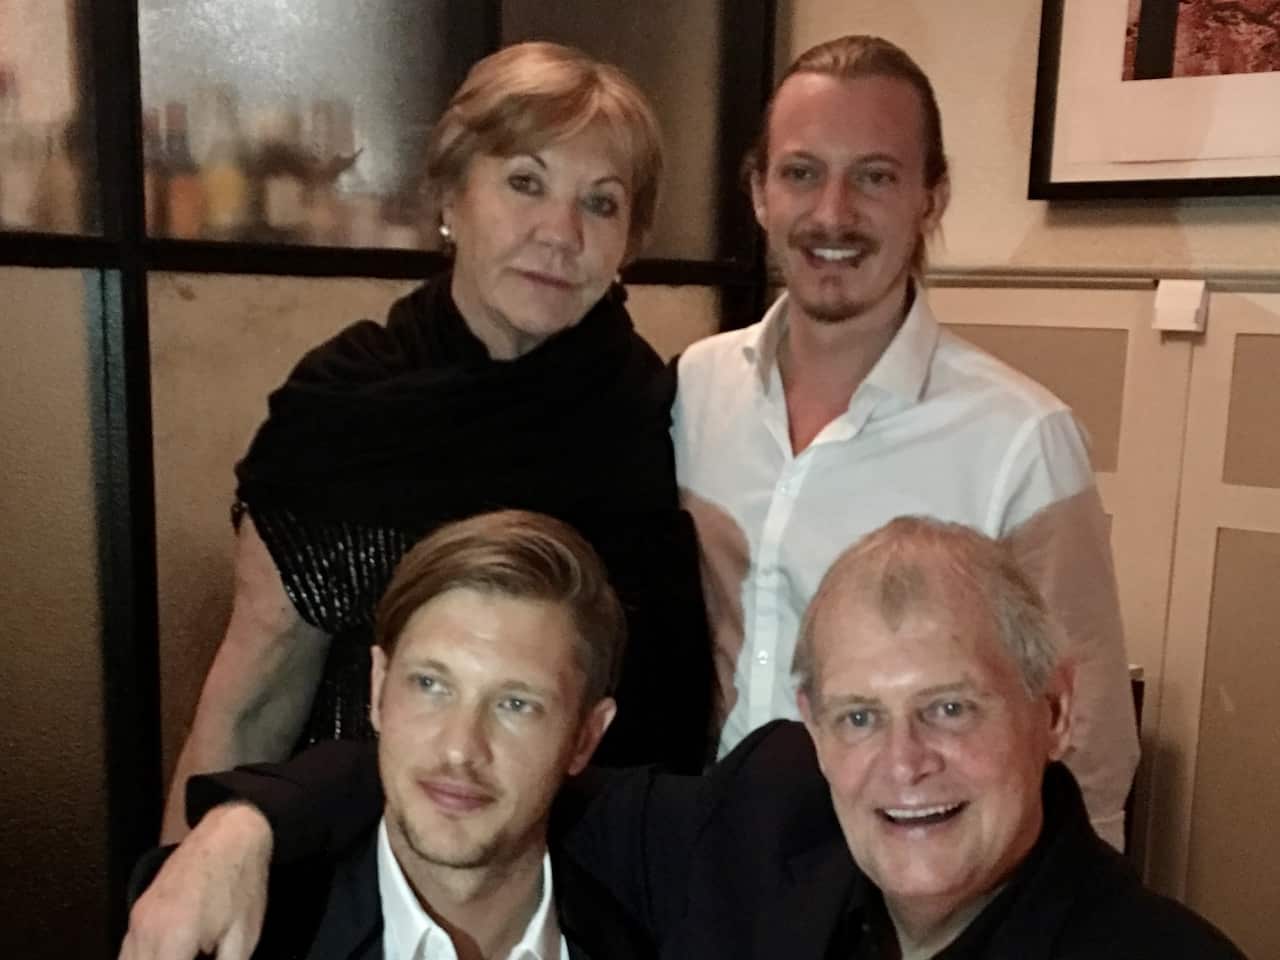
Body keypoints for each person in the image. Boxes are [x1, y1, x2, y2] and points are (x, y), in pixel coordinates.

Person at [120, 517, 1244, 960]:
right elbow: (459, 785)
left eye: (950, 707)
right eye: (859, 715)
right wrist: (246, 826)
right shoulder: (764, 832)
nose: (903, 764)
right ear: (811, 726)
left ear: (1054, 710)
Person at [161, 41, 714, 839]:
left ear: (630, 240)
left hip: (599, 860)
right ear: (451, 194)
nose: (561, 232)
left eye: (601, 203)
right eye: (526, 183)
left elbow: (678, 704)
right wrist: (177, 880)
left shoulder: (658, 414)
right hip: (356, 852)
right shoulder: (345, 409)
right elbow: (252, 703)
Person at [670, 34, 1138, 846]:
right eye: (801, 173)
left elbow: (1088, 744)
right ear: (758, 193)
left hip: (903, 876)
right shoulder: (695, 389)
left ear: (932, 197)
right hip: (707, 863)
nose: (832, 214)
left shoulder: (1021, 440)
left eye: (875, 177)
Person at [129, 510, 651, 959]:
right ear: (378, 687)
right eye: (430, 685)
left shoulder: (658, 923)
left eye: (516, 704)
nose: (459, 748)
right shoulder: (229, 928)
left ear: (586, 737)